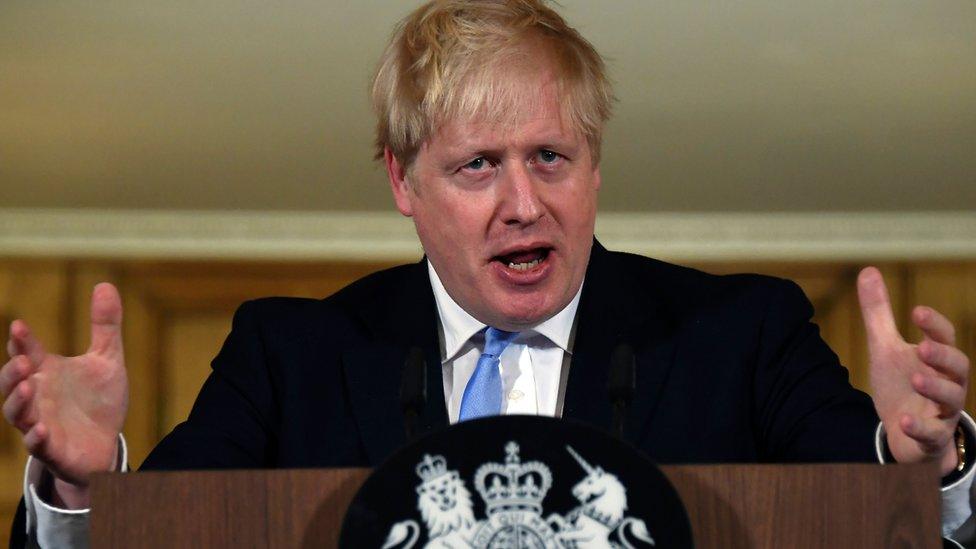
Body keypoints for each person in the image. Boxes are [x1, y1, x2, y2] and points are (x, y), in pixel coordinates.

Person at [3, 0, 973, 546]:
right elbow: (166, 544)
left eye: (550, 157)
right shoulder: (289, 353)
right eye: (477, 165)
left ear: (594, 166)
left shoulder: (744, 331)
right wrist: (84, 490)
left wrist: (925, 462)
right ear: (403, 180)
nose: (522, 203)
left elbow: (884, 522)